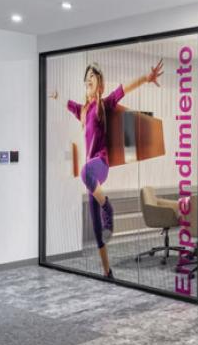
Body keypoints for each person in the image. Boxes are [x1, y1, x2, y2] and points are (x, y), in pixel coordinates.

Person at [49, 59, 163, 279]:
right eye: (86, 77)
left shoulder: (104, 104)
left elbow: (124, 89)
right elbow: (68, 104)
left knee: (84, 172)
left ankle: (108, 207)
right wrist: (55, 96)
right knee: (96, 227)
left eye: (92, 76)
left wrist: (146, 78)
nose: (88, 80)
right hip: (92, 175)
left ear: (99, 83)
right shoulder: (83, 111)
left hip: (100, 165)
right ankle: (107, 271)